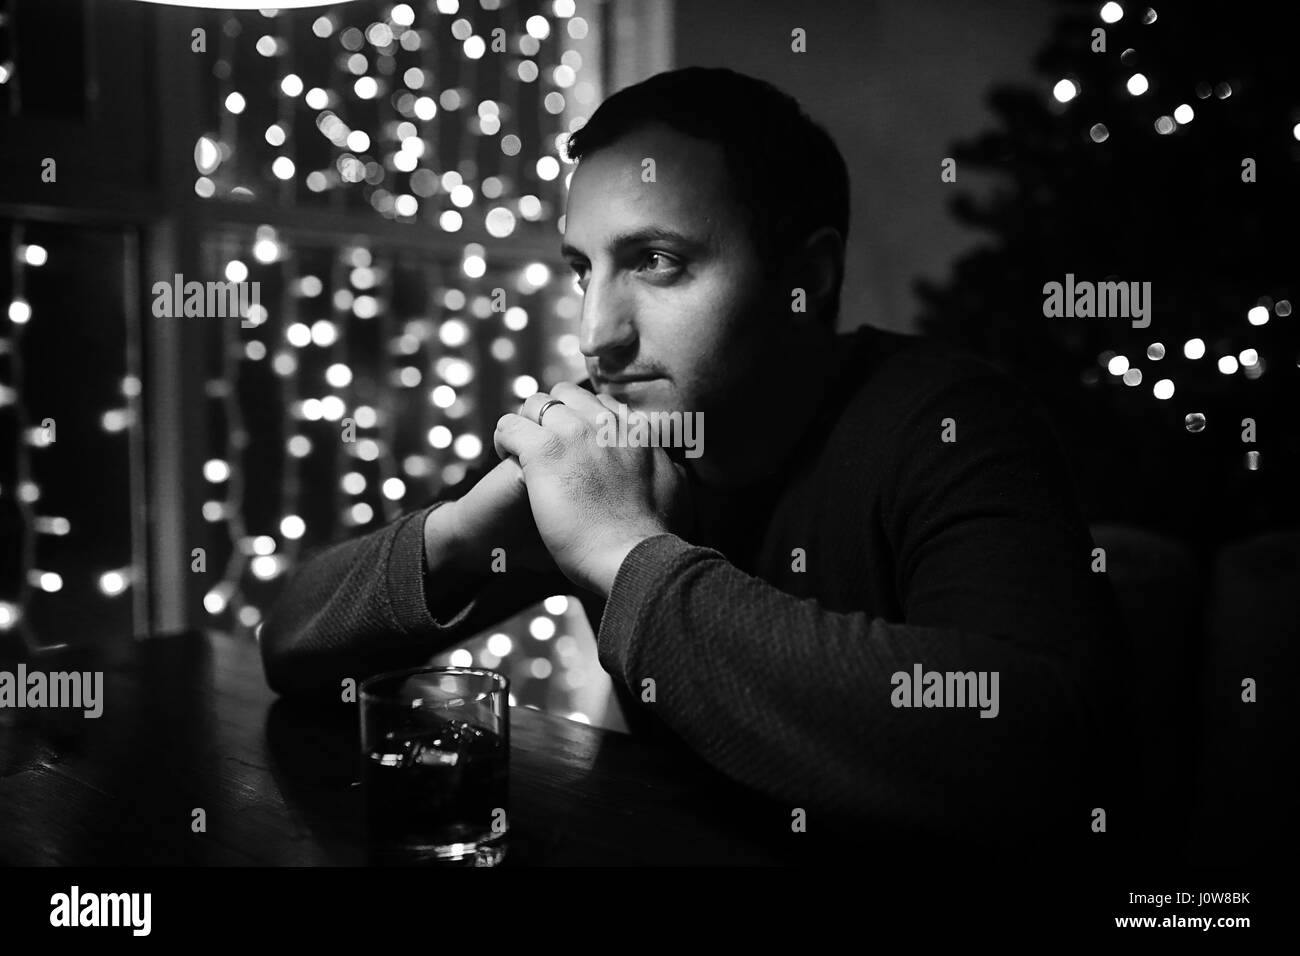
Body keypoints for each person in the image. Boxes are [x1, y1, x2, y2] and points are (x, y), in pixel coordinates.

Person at [261, 66, 1133, 853]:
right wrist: (455, 537)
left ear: (809, 279)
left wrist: (622, 554)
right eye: (582, 269)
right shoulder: (613, 433)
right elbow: (291, 648)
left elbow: (1030, 749)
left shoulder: (948, 419)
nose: (596, 334)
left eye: (657, 261)